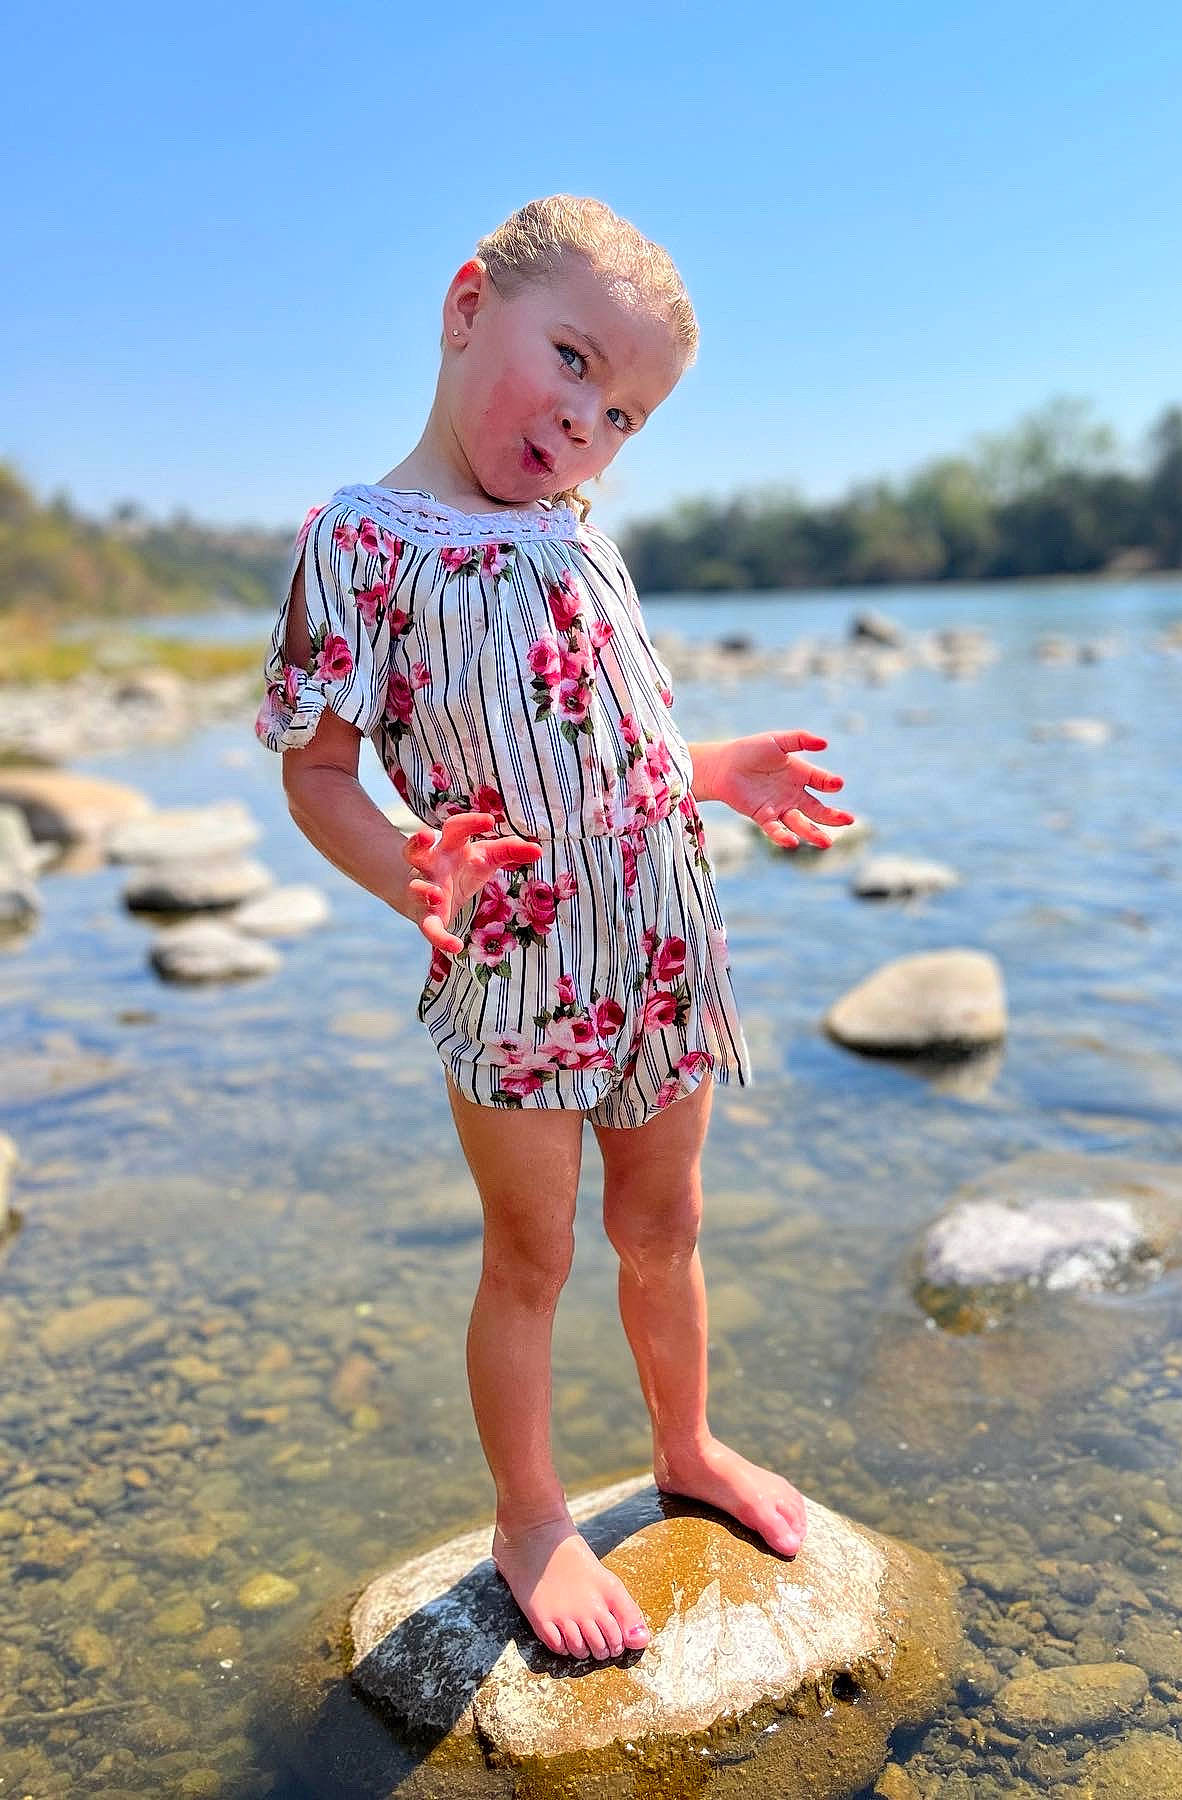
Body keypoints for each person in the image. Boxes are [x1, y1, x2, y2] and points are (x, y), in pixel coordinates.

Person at [255, 195, 852, 1663]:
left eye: (626, 413)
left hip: (662, 941)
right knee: (531, 1256)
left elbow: (602, 740)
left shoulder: (577, 536)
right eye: (573, 360)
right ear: (468, 307)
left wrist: (710, 769)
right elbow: (316, 775)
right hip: (515, 962)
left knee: (668, 1225)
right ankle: (529, 1519)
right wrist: (407, 869)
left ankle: (686, 1445)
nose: (589, 421)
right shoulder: (360, 542)